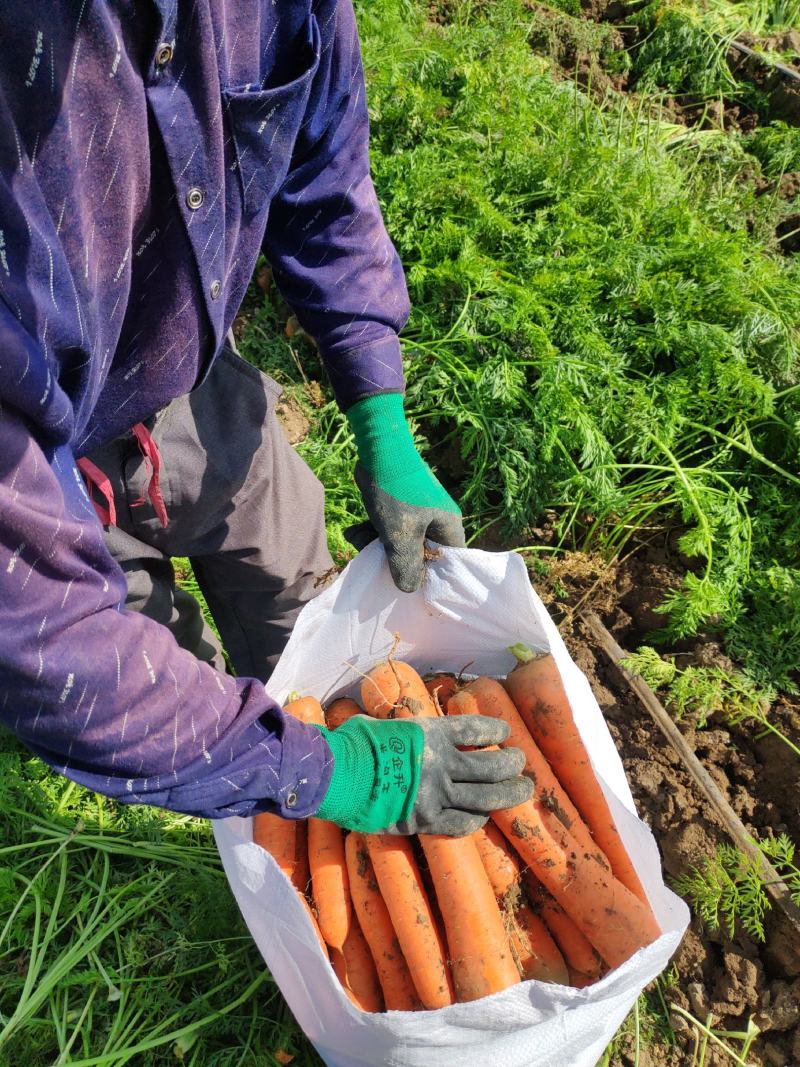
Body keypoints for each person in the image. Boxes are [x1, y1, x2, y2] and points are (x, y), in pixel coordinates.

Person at [0, 1, 531, 837]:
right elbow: (46, 642)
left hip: (192, 379)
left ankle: (300, 766)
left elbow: (326, 186)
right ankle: (265, 798)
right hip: (45, 467)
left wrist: (383, 425)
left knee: (303, 604)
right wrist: (324, 771)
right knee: (157, 672)